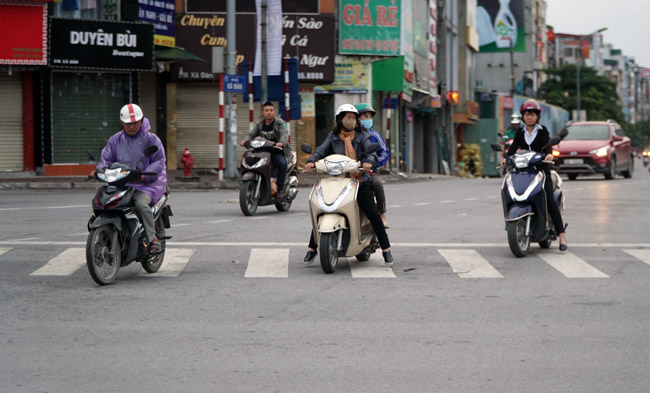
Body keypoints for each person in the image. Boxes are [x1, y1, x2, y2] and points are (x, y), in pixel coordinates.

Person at [303, 104, 394, 265]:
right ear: (340, 119)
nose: (351, 121)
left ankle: (386, 248)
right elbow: (321, 150)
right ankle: (312, 248)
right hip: (337, 179)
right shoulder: (333, 136)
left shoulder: (362, 135)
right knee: (325, 207)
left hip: (358, 180)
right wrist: (311, 161)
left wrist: (368, 163)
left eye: (353, 117)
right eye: (347, 117)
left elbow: (371, 152)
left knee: (372, 211)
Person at [91, 103, 168, 254]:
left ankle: (153, 239)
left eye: (135, 123)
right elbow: (106, 158)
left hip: (147, 184)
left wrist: (145, 174)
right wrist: (98, 171)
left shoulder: (151, 139)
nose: (131, 126)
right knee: (102, 201)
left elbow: (159, 161)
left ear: (141, 121)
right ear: (122, 123)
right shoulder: (115, 140)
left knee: (141, 204)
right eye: (128, 123)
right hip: (121, 183)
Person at [500, 99, 568, 251]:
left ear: (538, 116)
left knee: (549, 200)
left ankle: (562, 236)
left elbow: (547, 146)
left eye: (533, 114)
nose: (529, 117)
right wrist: (506, 159)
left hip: (541, 170)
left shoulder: (542, 131)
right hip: (523, 170)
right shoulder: (520, 132)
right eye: (526, 114)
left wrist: (549, 155)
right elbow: (513, 149)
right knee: (509, 191)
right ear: (523, 116)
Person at [241, 101, 289, 197]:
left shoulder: (279, 123)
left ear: (274, 111)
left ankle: (280, 189)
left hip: (276, 151)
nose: (269, 112)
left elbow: (284, 134)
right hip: (263, 152)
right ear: (263, 112)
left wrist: (281, 143)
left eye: (271, 110)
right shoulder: (260, 125)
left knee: (282, 164)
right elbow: (251, 134)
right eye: (266, 110)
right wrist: (245, 141)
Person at [354, 102, 390, 227]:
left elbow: (384, 152)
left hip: (369, 171)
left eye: (369, 117)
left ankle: (381, 213)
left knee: (377, 183)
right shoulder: (348, 135)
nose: (368, 120)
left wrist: (373, 165)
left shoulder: (374, 135)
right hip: (349, 171)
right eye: (364, 117)